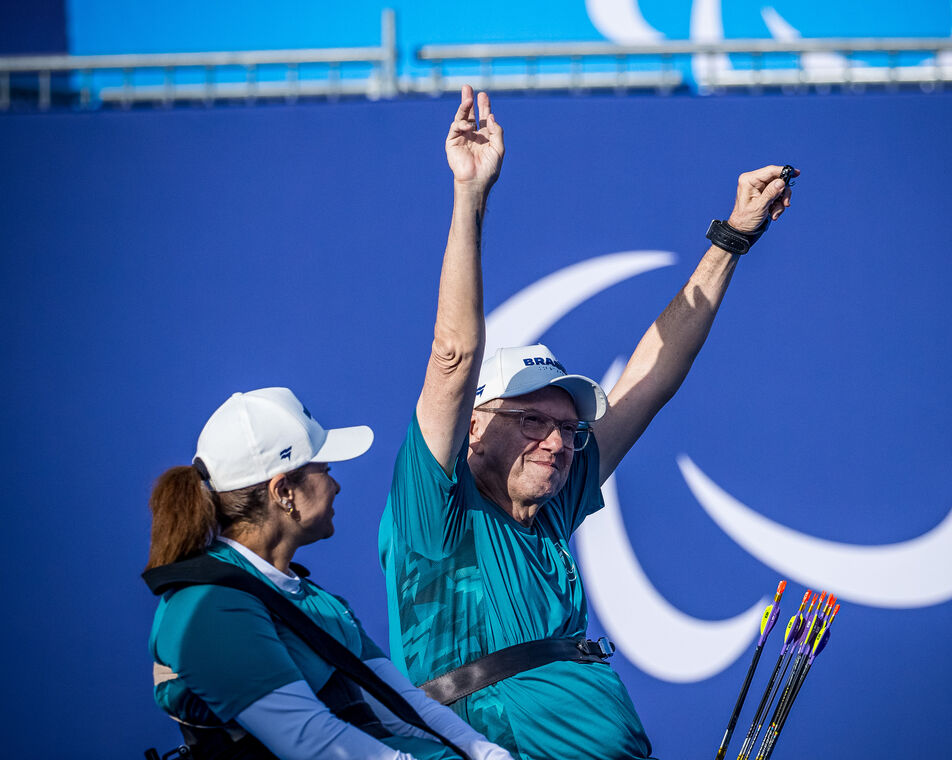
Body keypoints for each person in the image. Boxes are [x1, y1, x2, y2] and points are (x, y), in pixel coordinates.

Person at [378, 85, 796, 760]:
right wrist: (471, 195)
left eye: (569, 428)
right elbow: (454, 358)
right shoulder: (437, 511)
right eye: (531, 419)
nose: (557, 441)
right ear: (473, 428)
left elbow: (651, 379)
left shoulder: (549, 505)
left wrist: (733, 238)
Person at [145, 386, 515, 760]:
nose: (336, 485)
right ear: (283, 491)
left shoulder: (318, 602)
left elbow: (405, 707)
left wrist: (487, 755)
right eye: (325, 470)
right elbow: (313, 743)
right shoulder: (209, 607)